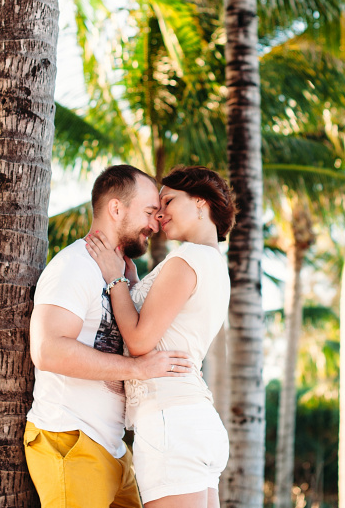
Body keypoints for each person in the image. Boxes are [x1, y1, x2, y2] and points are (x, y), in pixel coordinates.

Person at [25, 164, 195, 508]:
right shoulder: (75, 265)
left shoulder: (117, 273)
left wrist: (129, 285)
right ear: (116, 208)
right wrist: (138, 369)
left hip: (114, 450)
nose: (155, 225)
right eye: (149, 212)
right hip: (72, 439)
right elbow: (47, 349)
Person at [84, 165, 236, 508]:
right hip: (195, 421)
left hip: (171, 423)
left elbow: (140, 341)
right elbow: (168, 325)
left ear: (200, 202)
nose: (160, 214)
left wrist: (115, 279)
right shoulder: (214, 264)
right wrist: (134, 283)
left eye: (168, 201)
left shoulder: (186, 259)